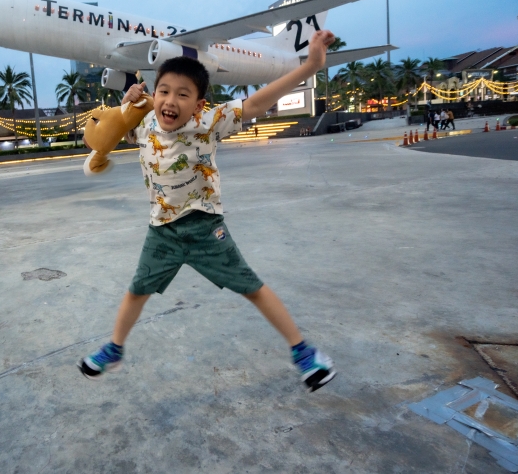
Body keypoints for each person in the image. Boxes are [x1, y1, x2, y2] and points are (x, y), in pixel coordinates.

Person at [78, 29, 337, 392]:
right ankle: (115, 348)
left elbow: (258, 103)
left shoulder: (209, 122)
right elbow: (115, 130)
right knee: (136, 291)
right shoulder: (146, 122)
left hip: (204, 228)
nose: (170, 100)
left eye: (183, 94)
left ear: (199, 104)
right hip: (162, 231)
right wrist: (128, 102)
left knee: (252, 287)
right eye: (164, 91)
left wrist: (310, 65)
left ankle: (304, 353)